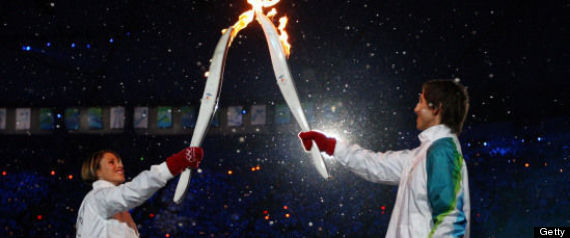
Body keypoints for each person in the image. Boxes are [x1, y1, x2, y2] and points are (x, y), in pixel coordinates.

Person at [299, 80, 471, 238]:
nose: (416, 109)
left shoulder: (442, 152)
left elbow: (450, 219)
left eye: (421, 102)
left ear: (436, 109)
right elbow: (376, 165)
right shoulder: (423, 155)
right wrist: (330, 145)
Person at [76, 147, 204, 237]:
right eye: (111, 162)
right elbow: (133, 191)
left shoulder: (95, 201)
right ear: (96, 171)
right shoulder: (100, 198)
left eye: (119, 161)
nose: (120, 165)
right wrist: (176, 163)